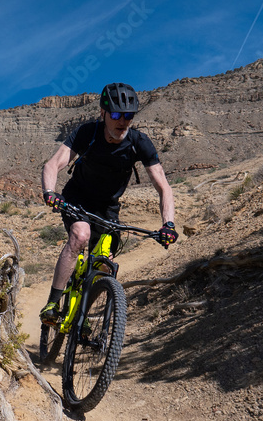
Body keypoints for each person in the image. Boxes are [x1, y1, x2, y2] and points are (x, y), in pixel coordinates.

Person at [39, 82, 177, 326]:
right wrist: (49, 192)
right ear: (103, 114)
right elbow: (53, 164)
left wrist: (168, 224)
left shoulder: (139, 143)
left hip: (108, 208)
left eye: (128, 116)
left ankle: (80, 317)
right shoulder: (87, 133)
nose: (122, 121)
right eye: (115, 114)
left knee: (104, 265)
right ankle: (53, 303)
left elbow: (163, 186)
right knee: (81, 235)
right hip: (77, 198)